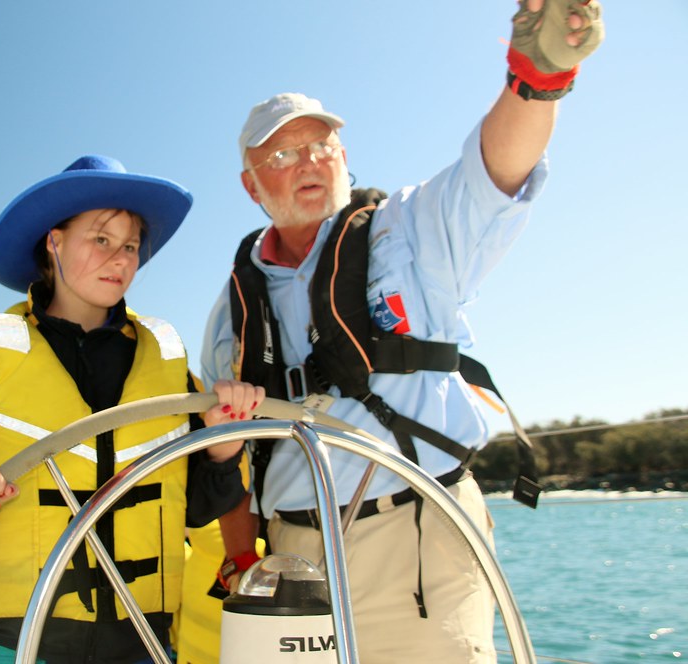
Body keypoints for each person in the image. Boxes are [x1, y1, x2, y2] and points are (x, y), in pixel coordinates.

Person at [200, 1, 604, 661]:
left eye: (320, 146)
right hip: (290, 559)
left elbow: (493, 172)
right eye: (282, 153)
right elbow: (221, 457)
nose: (308, 162)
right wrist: (241, 555)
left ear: (343, 154)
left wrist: (536, 76)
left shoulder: (410, 231)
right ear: (251, 186)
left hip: (420, 538)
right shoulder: (232, 306)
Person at [0, 154, 263, 664]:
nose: (120, 259)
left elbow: (198, 508)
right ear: (54, 241)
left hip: (143, 645)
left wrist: (223, 449)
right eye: (102, 239)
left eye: (130, 245)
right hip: (11, 646)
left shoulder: (168, 358)